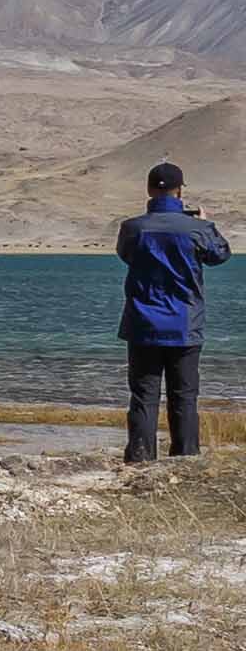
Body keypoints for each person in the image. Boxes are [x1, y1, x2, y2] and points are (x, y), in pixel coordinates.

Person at [117, 162, 230, 463]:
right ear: (181, 191)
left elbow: (126, 255)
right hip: (184, 325)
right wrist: (208, 226)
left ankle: (140, 458)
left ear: (149, 189)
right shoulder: (197, 229)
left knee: (144, 396)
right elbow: (220, 255)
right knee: (184, 396)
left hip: (143, 324)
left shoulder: (133, 227)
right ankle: (186, 459)